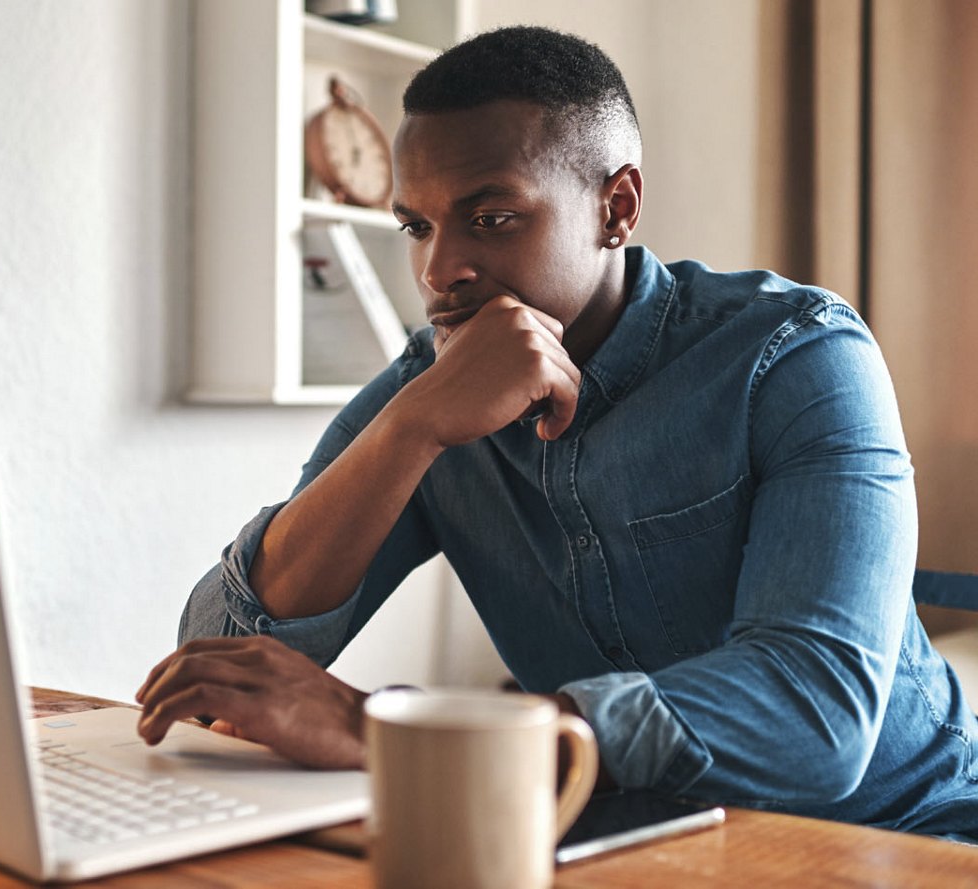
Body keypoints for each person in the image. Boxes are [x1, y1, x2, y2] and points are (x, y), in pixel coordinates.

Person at [136, 26, 977, 839]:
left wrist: (399, 728)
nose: (438, 271)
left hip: (904, 830)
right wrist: (410, 430)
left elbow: (816, 713)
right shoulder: (427, 391)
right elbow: (221, 661)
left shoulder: (796, 355)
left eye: (491, 217)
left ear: (616, 207)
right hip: (627, 834)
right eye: (417, 226)